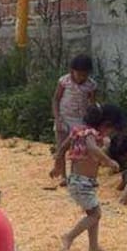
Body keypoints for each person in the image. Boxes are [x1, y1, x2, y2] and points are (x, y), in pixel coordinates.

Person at [55, 104, 124, 251]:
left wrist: (57, 167)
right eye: (110, 130)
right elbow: (92, 149)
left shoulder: (77, 132)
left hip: (78, 181)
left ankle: (93, 246)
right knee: (95, 214)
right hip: (82, 182)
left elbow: (62, 149)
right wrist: (109, 161)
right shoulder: (90, 134)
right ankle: (69, 237)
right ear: (105, 125)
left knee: (93, 213)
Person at [48, 54, 98, 185]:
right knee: (61, 147)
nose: (82, 77)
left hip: (80, 120)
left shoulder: (91, 85)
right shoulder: (64, 81)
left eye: (85, 75)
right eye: (79, 74)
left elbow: (92, 104)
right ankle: (63, 176)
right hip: (63, 118)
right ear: (72, 71)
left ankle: (74, 175)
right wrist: (57, 117)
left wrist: (91, 121)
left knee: (77, 149)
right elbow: (56, 99)